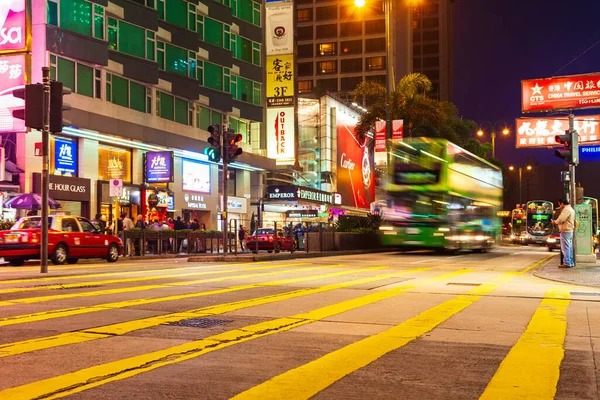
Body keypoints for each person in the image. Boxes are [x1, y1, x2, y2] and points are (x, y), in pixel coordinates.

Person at [552, 198, 575, 268]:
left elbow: (561, 219)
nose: (560, 206)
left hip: (565, 230)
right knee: (569, 247)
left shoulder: (566, 210)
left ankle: (567, 263)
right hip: (569, 230)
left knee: (565, 248)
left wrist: (554, 222)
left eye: (560, 204)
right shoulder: (571, 209)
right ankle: (570, 262)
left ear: (562, 203)